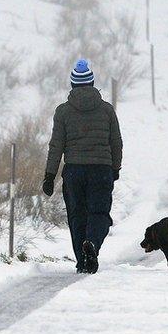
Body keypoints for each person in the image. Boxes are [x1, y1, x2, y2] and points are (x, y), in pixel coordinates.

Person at [43, 59, 122, 274]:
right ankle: (93, 244)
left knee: (77, 215)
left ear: (72, 85)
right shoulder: (106, 110)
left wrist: (49, 175)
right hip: (101, 170)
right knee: (99, 213)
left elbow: (56, 145)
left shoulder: (63, 112)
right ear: (93, 82)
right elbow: (116, 141)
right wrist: (115, 168)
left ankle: (82, 261)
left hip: (74, 171)